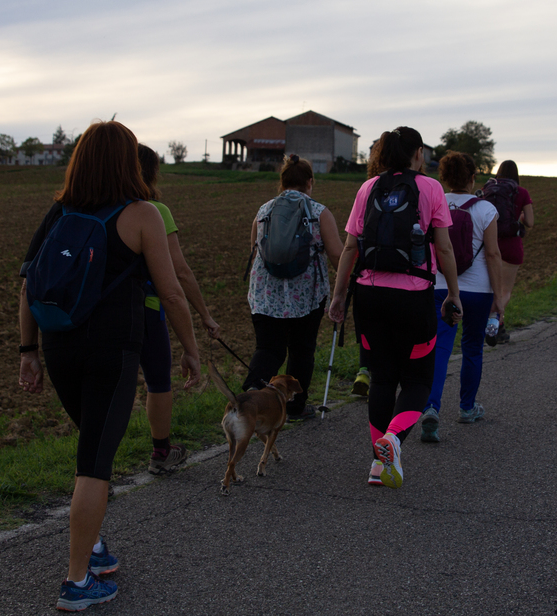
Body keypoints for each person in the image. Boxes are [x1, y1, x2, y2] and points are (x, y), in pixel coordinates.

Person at [18, 121, 200, 611]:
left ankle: (93, 548)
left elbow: (28, 283)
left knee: (90, 445)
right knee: (95, 462)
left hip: (59, 346)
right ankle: (78, 583)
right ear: (127, 162)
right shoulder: (141, 214)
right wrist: (190, 348)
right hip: (112, 350)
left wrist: (28, 352)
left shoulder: (60, 210)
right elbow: (171, 290)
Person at [329, 127, 461, 489]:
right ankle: (392, 440)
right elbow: (445, 249)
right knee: (419, 380)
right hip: (414, 297)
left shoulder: (367, 188)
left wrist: (339, 296)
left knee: (382, 379)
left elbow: (350, 249)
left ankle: (378, 465)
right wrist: (453, 292)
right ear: (418, 153)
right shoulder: (431, 188)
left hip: (369, 296)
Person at [137, 144, 221, 473]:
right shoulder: (155, 210)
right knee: (158, 380)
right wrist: (204, 316)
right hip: (147, 309)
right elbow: (180, 273)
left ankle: (91, 467)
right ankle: (161, 453)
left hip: (101, 315)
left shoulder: (102, 208)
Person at [244, 155, 343, 419]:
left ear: (282, 181)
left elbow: (256, 253)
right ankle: (296, 408)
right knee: (302, 350)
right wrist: (344, 289)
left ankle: (252, 396)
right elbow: (336, 255)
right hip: (306, 296)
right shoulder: (319, 212)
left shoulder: (263, 212)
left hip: (266, 295)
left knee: (267, 349)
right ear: (310, 182)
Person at [420, 152, 505, 443]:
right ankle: (467, 408)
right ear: (473, 177)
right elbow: (493, 254)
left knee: (440, 348)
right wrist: (499, 296)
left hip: (442, 286)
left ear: (442, 177)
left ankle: (431, 407)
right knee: (472, 347)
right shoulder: (485, 209)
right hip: (479, 290)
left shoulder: (435, 203)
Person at [487, 160, 534, 343]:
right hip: (511, 246)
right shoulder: (521, 192)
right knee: (505, 292)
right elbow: (529, 222)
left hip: (490, 244)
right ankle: (492, 324)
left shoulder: (488, 190)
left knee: (492, 289)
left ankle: (500, 328)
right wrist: (520, 216)